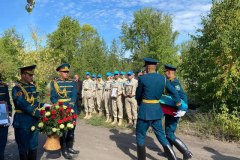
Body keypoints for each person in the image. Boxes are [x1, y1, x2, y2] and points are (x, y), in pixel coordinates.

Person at [136, 58, 183, 160]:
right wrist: (179, 106)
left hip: (144, 111)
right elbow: (174, 93)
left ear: (148, 68)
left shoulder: (142, 78)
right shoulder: (163, 79)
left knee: (140, 136)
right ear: (154, 67)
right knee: (161, 136)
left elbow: (138, 95)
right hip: (157, 112)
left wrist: (140, 103)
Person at [12, 65, 45, 160]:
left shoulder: (32, 87)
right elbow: (22, 104)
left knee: (33, 145)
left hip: (33, 121)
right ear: (23, 75)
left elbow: (35, 102)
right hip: (22, 121)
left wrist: (45, 106)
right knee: (23, 147)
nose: (32, 77)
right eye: (30, 75)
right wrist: (38, 113)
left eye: (32, 75)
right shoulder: (17, 89)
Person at [50, 63, 79, 159]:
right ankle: (64, 149)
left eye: (67, 72)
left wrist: (70, 106)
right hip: (61, 108)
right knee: (63, 130)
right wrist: (60, 107)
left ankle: (70, 147)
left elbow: (74, 95)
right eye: (64, 72)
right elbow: (53, 97)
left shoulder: (72, 82)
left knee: (72, 128)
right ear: (59, 72)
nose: (66, 73)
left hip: (71, 108)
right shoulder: (55, 83)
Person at [164, 64, 193, 160]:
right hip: (171, 110)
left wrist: (182, 109)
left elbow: (182, 97)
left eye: (165, 71)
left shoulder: (174, 83)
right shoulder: (171, 82)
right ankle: (169, 152)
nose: (165, 73)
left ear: (169, 72)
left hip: (176, 111)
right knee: (167, 131)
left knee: (169, 133)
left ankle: (186, 152)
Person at [0, 75, 12, 160]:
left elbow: (8, 101)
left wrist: (10, 115)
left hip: (2, 113)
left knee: (2, 139)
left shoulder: (4, 86)